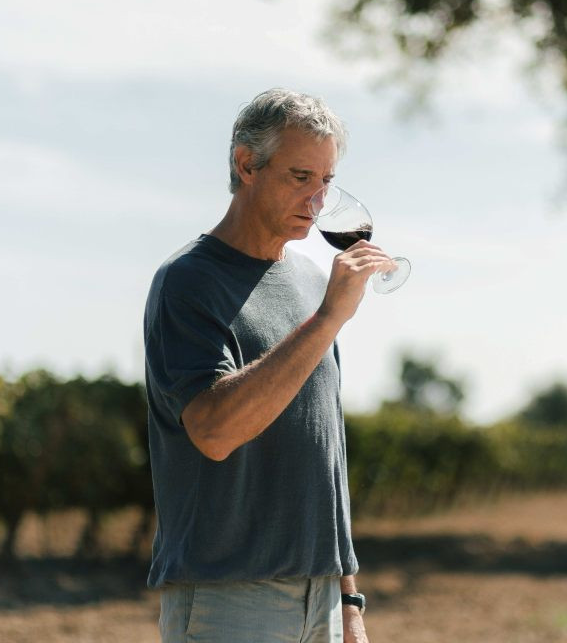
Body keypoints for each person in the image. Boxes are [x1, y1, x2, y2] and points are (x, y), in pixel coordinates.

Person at [144, 88, 393, 643]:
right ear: (246, 164)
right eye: (301, 176)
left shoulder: (310, 280)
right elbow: (214, 431)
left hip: (323, 599)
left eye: (326, 180)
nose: (318, 199)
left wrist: (348, 597)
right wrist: (328, 319)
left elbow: (328, 452)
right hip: (230, 601)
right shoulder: (188, 282)